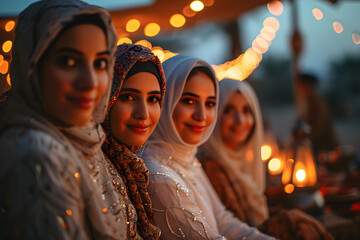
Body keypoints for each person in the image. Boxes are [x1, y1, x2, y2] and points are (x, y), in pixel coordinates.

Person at [0, 1, 126, 239]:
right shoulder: (36, 155)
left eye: (100, 63)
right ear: (32, 67)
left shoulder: (85, 139)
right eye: (69, 61)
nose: (90, 82)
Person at [141, 55, 275, 239]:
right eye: (189, 101)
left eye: (210, 104)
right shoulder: (158, 176)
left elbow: (224, 221)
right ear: (164, 101)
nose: (202, 115)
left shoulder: (188, 160)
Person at [198, 78, 333, 239]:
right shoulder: (211, 166)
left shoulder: (239, 160)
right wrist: (290, 219)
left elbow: (252, 204)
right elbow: (239, 227)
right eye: (228, 110)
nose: (240, 120)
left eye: (247, 110)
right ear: (214, 114)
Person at [101, 44, 165, 239]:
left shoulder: (131, 166)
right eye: (128, 97)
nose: (143, 114)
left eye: (153, 99)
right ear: (105, 99)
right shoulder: (90, 168)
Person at [295, 73, 339, 155]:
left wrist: (303, 142)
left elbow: (318, 129)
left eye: (300, 86)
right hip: (321, 148)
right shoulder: (311, 102)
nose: (298, 90)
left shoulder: (317, 103)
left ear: (308, 85)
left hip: (326, 150)